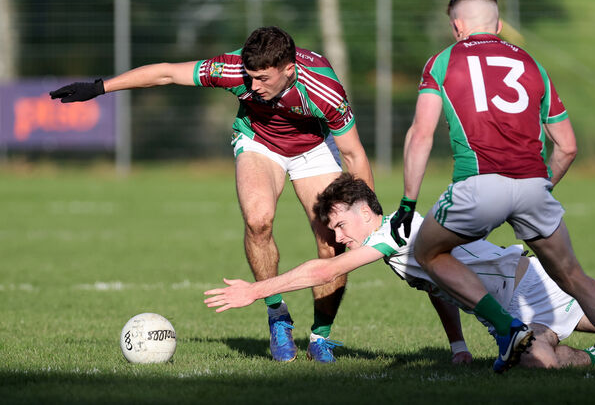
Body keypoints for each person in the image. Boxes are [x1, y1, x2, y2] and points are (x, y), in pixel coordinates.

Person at [202, 174, 595, 369]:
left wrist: (258, 289)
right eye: (331, 231)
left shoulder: (393, 232)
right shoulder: (400, 245)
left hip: (535, 287)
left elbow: (315, 271)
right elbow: (439, 288)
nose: (334, 236)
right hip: (513, 310)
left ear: (359, 208)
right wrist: (456, 344)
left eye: (335, 224)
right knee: (540, 364)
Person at [49, 26, 374, 363]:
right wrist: (101, 87)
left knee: (330, 241)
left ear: (289, 69)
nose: (254, 86)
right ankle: (277, 315)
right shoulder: (231, 69)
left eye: (263, 78)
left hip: (314, 149)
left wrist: (367, 214)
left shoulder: (323, 89)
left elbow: (354, 155)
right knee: (258, 220)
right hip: (259, 143)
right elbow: (166, 73)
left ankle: (320, 337)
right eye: (250, 77)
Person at [388, 0, 595, 378]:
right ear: (498, 24)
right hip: (533, 184)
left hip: (478, 186)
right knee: (575, 276)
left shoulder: (443, 60)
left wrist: (408, 202)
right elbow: (567, 146)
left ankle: (507, 328)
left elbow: (420, 134)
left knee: (429, 253)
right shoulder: (531, 64)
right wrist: (541, 186)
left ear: (457, 26)